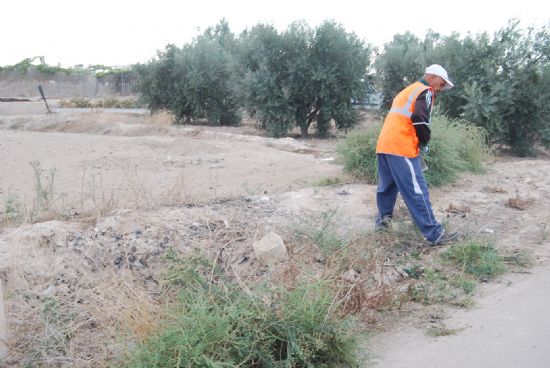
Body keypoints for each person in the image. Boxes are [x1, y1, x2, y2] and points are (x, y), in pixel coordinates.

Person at [375, 64, 460, 245]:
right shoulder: (425, 90)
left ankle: (382, 226)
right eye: (442, 82)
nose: (441, 87)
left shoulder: (407, 90)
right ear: (432, 77)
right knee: (417, 190)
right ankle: (435, 234)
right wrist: (423, 142)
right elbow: (420, 121)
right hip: (402, 147)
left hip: (385, 145)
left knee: (386, 188)